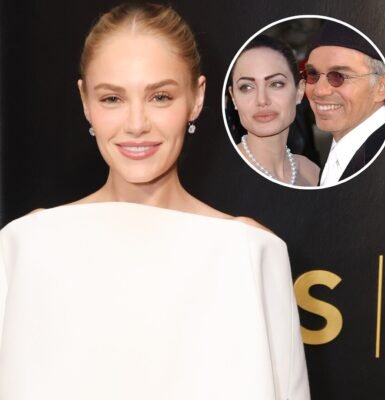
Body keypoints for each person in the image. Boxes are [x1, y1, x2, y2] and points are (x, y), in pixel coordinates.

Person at [0, 3, 310, 399]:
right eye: (112, 99)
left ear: (197, 98)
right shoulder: (29, 245)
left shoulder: (248, 252)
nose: (136, 125)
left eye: (160, 96)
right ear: (85, 102)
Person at [304, 20, 385, 186]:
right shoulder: (343, 150)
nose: (319, 91)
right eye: (312, 74)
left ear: (381, 87)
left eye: (339, 76)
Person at [228, 35, 320, 187]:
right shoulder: (221, 176)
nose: (262, 100)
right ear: (233, 98)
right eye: (247, 87)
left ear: (299, 91)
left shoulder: (312, 173)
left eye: (276, 84)